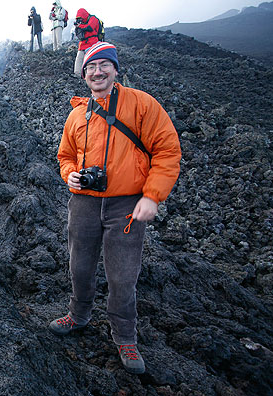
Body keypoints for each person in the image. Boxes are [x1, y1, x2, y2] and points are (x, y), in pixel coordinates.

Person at [50, 42, 181, 375]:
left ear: (116, 70)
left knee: (122, 276)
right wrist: (71, 177)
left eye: (104, 65)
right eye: (91, 68)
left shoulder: (141, 105)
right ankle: (78, 315)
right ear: (84, 74)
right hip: (84, 203)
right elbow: (64, 157)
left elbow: (167, 151)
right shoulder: (77, 114)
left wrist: (152, 196)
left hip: (126, 204)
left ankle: (125, 336)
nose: (97, 72)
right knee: (79, 266)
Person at [73, 8, 101, 76]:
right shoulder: (81, 23)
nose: (80, 19)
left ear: (84, 15)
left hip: (92, 43)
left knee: (91, 61)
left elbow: (90, 27)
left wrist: (80, 26)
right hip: (83, 43)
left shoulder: (93, 18)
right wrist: (78, 26)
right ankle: (77, 75)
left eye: (80, 18)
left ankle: (91, 75)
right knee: (79, 59)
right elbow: (79, 33)